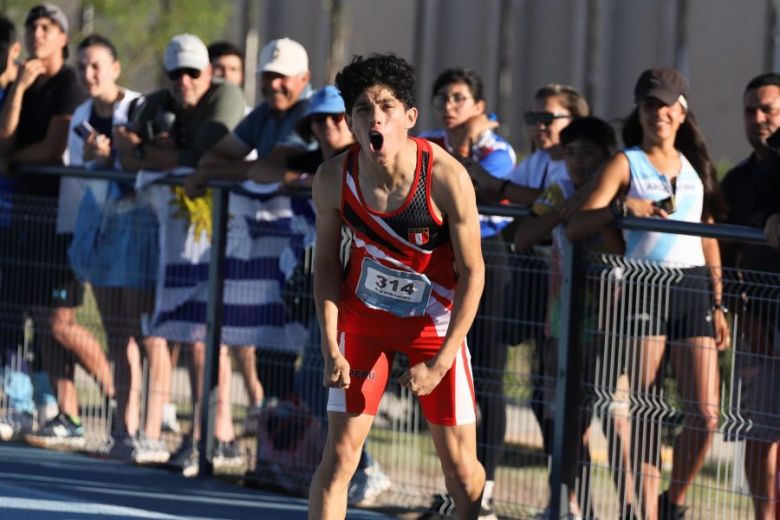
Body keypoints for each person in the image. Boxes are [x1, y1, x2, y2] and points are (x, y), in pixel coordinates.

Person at [307, 53, 486, 520]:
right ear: (349, 121)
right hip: (364, 322)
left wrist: (442, 360)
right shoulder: (333, 178)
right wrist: (330, 345)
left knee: (462, 473)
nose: (375, 118)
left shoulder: (445, 177)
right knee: (340, 458)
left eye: (386, 106)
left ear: (410, 117)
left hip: (433, 325)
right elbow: (325, 264)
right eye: (363, 109)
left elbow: (474, 273)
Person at [567, 68, 730, 520]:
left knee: (706, 414)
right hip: (643, 288)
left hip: (693, 288)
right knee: (646, 415)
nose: (658, 113)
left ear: (681, 111)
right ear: (638, 112)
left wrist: (718, 303)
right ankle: (642, 513)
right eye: (648, 105)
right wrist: (622, 208)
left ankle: (671, 501)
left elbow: (707, 235)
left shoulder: (696, 164)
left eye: (666, 105)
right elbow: (579, 223)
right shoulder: (626, 162)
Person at [177, 37, 315, 477]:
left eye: (282, 78)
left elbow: (267, 166)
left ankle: (331, 464)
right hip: (280, 261)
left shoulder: (310, 114)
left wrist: (213, 172)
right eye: (268, 78)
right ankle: (281, 460)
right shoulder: (263, 114)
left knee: (315, 360)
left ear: (303, 80)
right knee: (275, 355)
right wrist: (217, 168)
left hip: (318, 253)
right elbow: (225, 156)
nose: (274, 86)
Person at [114, 32, 246, 466]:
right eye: (176, 73)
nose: (184, 80)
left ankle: (214, 437)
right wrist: (146, 153)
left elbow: (200, 155)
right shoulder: (157, 102)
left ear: (208, 72)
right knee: (185, 332)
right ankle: (199, 438)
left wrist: (150, 153)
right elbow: (126, 152)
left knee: (207, 339)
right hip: (181, 233)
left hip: (226, 228)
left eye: (193, 71)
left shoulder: (226, 95)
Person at [0, 3, 108, 448]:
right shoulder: (26, 81)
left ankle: (120, 400)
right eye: (32, 26)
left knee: (61, 322)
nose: (37, 34)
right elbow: (3, 140)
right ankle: (68, 415)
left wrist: (11, 160)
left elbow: (49, 149)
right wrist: (20, 87)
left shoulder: (69, 83)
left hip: (60, 217)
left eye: (47, 27)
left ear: (63, 37)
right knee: (41, 323)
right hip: (26, 215)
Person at [514, 117, 633, 518]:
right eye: (571, 153)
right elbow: (522, 237)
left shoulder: (619, 194)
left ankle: (632, 508)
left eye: (588, 153)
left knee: (616, 421)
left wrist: (595, 212)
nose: (578, 162)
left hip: (613, 322)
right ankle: (568, 503)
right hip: (562, 321)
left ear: (606, 157)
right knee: (561, 417)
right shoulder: (559, 190)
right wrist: (563, 212)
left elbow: (621, 251)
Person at [418, 67, 516, 518]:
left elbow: (479, 186)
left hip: (488, 255)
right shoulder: (426, 142)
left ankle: (485, 484)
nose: (449, 105)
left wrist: (462, 150)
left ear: (479, 106)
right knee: (444, 364)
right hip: (439, 256)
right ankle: (452, 483)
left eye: (459, 98)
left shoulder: (498, 147)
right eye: (443, 97)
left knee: (490, 375)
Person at [55, 33, 157, 460]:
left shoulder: (137, 108)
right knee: (115, 331)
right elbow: (83, 174)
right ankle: (123, 426)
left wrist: (112, 155)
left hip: (136, 230)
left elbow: (146, 163)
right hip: (98, 231)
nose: (89, 74)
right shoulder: (80, 112)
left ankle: (148, 428)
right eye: (82, 66)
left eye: (96, 65)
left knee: (143, 333)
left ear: (116, 67)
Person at [719, 72, 780, 520]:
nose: (759, 119)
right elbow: (724, 252)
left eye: (769, 110)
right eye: (751, 110)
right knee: (759, 431)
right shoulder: (738, 181)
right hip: (757, 315)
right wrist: (735, 310)